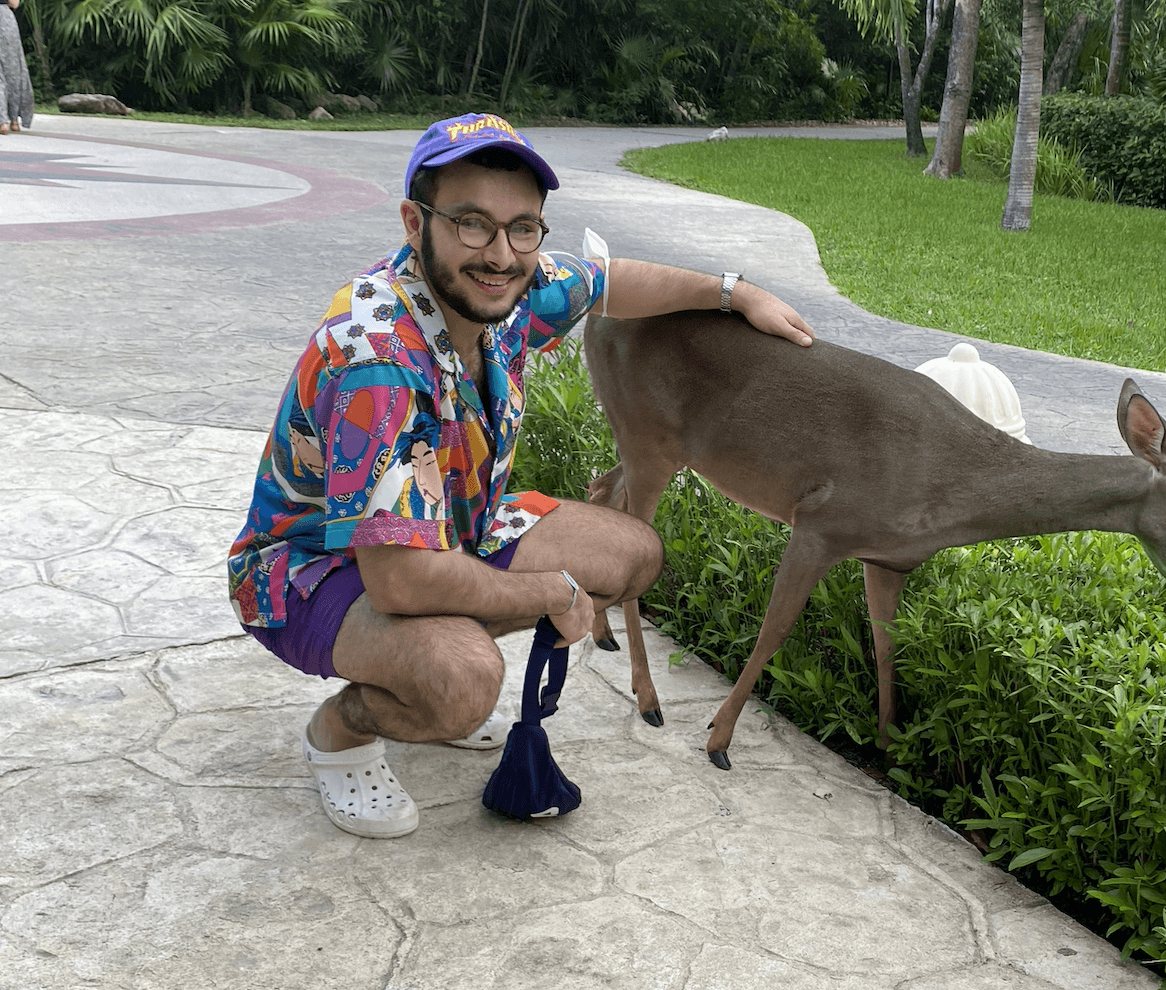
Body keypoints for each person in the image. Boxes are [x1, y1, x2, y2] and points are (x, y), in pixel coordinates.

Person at [227, 112, 814, 838]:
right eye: (472, 223)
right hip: (312, 570)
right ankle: (344, 730)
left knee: (629, 553)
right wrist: (543, 592)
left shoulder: (505, 287)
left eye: (523, 227)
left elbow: (609, 281)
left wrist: (736, 292)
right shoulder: (377, 358)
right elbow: (401, 581)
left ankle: (425, 668)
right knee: (466, 683)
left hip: (449, 530)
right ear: (417, 223)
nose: (501, 253)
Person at [0, 0, 33, 135]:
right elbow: (14, 3)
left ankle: (2, 122)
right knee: (12, 71)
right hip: (6, 22)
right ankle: (14, 121)